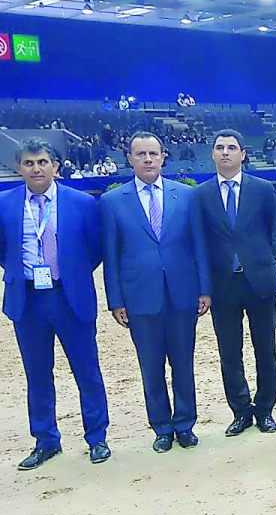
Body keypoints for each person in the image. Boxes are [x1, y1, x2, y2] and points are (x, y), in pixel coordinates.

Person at [1, 140, 110, 469]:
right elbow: (3, 251)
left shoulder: (82, 204)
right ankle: (46, 439)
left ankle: (97, 438)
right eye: (29, 162)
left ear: (56, 167)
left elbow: (94, 250)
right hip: (28, 300)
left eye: (43, 162)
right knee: (37, 374)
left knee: (87, 370)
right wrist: (24, 274)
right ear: (19, 167)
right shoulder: (3, 204)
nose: (36, 168)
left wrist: (71, 274)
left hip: (69, 296)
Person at [100, 132, 211, 453]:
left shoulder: (186, 196)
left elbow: (198, 246)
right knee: (150, 367)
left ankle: (186, 424)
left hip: (183, 294)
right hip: (139, 298)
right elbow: (111, 255)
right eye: (140, 154)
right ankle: (161, 427)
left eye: (153, 153)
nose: (148, 159)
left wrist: (205, 288)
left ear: (163, 157)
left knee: (183, 364)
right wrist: (115, 300)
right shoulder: (111, 201)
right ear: (130, 159)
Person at [194, 129, 276, 437]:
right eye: (219, 147)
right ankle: (240, 411)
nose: (225, 152)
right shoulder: (201, 194)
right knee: (229, 352)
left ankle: (265, 410)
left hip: (259, 281)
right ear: (212, 154)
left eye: (231, 147)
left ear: (243, 154)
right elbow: (200, 244)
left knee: (266, 347)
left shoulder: (262, 189)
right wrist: (203, 288)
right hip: (223, 287)